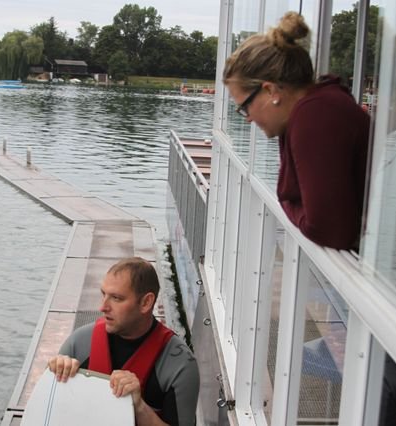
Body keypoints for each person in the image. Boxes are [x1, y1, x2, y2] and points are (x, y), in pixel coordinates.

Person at [223, 11, 371, 250]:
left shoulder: (314, 117)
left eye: (245, 106)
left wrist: (288, 202)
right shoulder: (320, 106)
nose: (248, 118)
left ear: (271, 91)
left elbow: (328, 230)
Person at [47, 257, 199, 426]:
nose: (103, 307)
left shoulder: (180, 364)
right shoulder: (79, 343)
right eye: (103, 294)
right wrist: (55, 374)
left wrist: (139, 406)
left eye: (116, 298)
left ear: (146, 303)